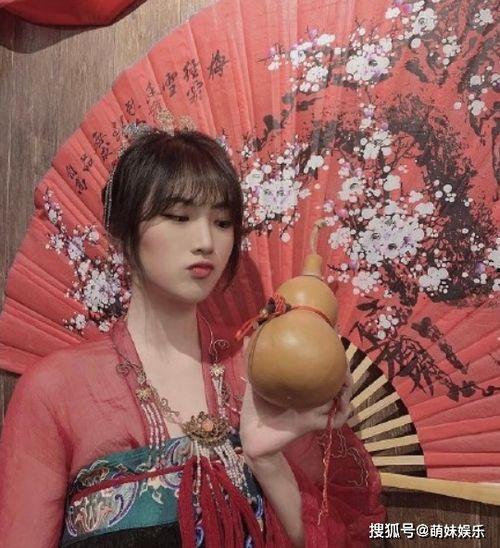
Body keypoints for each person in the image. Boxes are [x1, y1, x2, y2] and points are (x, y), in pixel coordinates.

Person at [0, 129, 385, 547]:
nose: (205, 243)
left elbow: (337, 536)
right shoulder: (55, 391)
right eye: (179, 217)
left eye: (222, 222)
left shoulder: (260, 372)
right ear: (123, 231)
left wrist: (266, 460)